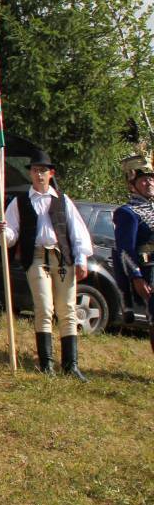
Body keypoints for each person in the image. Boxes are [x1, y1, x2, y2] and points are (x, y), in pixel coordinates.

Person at [0, 151, 92, 380]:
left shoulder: (62, 199)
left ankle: (71, 365)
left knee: (67, 310)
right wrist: (3, 231)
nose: (39, 175)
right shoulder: (20, 201)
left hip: (62, 258)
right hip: (37, 258)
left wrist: (81, 259)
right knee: (44, 308)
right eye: (35, 170)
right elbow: (11, 234)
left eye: (43, 171)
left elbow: (77, 231)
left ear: (51, 174)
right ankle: (47, 363)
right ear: (30, 173)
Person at [113, 150, 154, 356]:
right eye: (144, 180)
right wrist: (136, 277)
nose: (149, 183)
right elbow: (125, 250)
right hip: (149, 272)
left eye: (151, 179)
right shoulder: (127, 213)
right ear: (132, 185)